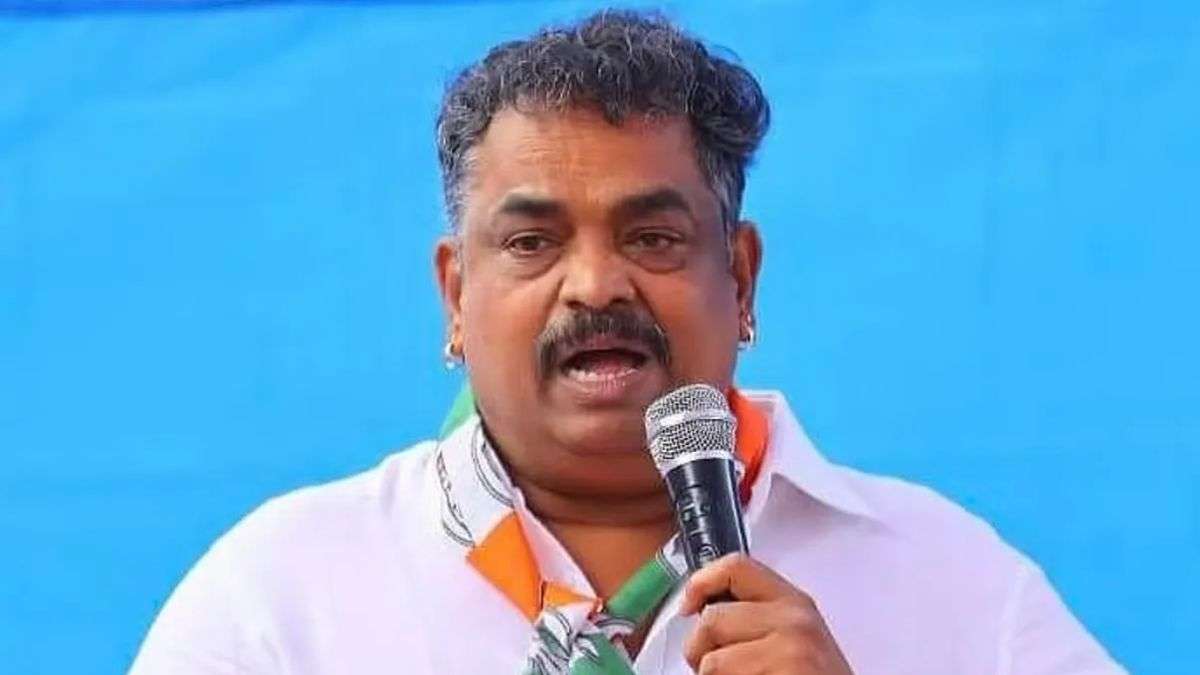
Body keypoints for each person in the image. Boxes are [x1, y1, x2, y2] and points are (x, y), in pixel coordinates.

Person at [131, 10, 1125, 674]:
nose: (597, 284)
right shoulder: (281, 596)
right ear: (456, 297)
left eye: (652, 237)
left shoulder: (952, 579)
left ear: (740, 280)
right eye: (533, 242)